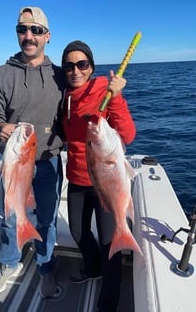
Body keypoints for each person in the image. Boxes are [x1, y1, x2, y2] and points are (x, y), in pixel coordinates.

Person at [0, 6, 65, 298]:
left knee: (47, 218)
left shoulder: (60, 76)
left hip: (48, 163)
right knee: (10, 216)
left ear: (47, 36)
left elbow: (77, 111)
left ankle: (45, 264)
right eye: (23, 30)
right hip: (14, 162)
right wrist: (0, 126)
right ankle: (8, 262)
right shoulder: (1, 74)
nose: (28, 36)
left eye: (36, 30)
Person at [61, 40, 136, 311]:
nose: (75, 71)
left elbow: (127, 135)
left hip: (106, 182)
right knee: (78, 232)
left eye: (82, 64)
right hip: (78, 180)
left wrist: (115, 98)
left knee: (110, 244)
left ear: (91, 66)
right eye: (69, 66)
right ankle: (92, 269)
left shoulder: (105, 89)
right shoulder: (65, 96)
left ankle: (108, 303)